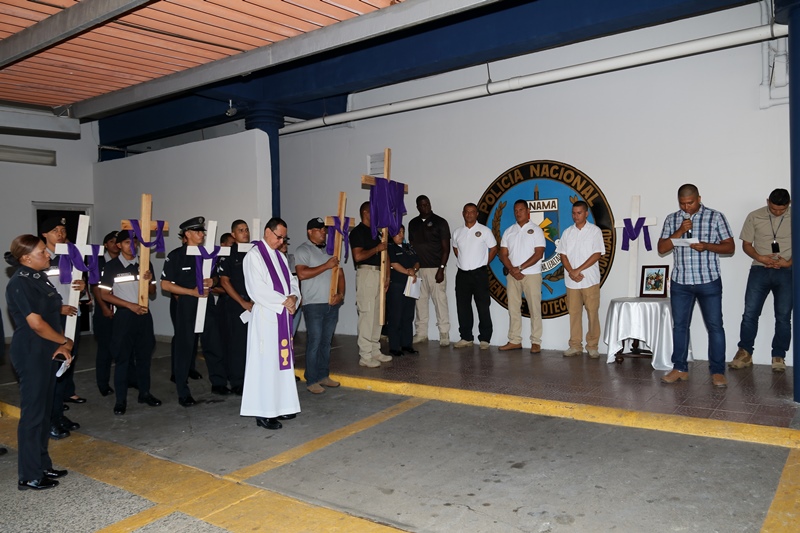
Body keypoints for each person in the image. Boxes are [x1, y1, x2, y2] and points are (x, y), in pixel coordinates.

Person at [5, 234, 72, 490]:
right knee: (33, 415)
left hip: (47, 350)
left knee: (44, 414)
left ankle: (43, 465)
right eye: (42, 252)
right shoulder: (19, 283)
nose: (48, 254)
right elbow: (36, 324)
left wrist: (60, 345)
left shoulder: (38, 277)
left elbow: (52, 313)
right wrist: (64, 340)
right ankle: (29, 475)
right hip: (31, 352)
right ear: (26, 258)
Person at [657, 184, 734, 388]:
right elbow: (662, 248)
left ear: (699, 198)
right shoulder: (672, 219)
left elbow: (730, 247)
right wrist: (680, 230)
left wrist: (706, 246)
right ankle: (679, 368)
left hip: (708, 280)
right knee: (680, 327)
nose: (686, 207)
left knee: (715, 327)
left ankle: (717, 371)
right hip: (680, 282)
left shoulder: (715, 217)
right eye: (682, 203)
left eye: (690, 203)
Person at [161, 216, 229, 406]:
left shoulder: (208, 254)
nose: (202, 234)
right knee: (185, 348)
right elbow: (165, 284)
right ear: (187, 234)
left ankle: (219, 383)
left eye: (202, 231)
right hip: (187, 305)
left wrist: (213, 281)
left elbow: (217, 277)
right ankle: (183, 391)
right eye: (197, 231)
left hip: (207, 304)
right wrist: (190, 292)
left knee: (214, 344)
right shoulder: (176, 256)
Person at [240, 218, 301, 430]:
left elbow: (292, 282)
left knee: (281, 363)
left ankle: (282, 405)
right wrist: (284, 302)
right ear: (267, 232)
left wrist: (294, 297)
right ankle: (263, 411)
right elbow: (257, 289)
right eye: (279, 237)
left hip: (282, 316)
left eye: (284, 238)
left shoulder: (281, 257)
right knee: (265, 364)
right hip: (266, 317)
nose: (281, 241)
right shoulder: (254, 256)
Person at [729, 188, 792, 373]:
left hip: (786, 271)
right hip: (759, 269)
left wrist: (789, 263)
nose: (777, 212)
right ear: (767, 201)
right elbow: (746, 245)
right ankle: (745, 353)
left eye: (782, 209)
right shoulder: (754, 216)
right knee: (750, 313)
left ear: (788, 204)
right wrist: (761, 258)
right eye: (773, 209)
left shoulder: (795, 216)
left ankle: (779, 355)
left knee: (783, 316)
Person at [98, 231, 161, 415]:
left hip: (144, 315)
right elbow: (104, 294)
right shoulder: (111, 266)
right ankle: (120, 400)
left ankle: (145, 393)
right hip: (125, 316)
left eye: (134, 242)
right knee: (122, 358)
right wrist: (129, 305)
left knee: (144, 356)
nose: (131, 246)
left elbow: (152, 291)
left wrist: (148, 281)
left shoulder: (144, 263)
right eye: (127, 242)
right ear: (119, 245)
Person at [40, 216, 84, 439]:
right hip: (51, 321)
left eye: (63, 230)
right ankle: (49, 420)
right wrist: (58, 309)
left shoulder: (72, 256)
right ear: (44, 235)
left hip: (72, 318)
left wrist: (82, 287)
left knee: (65, 368)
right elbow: (36, 296)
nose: (60, 234)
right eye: (55, 230)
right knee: (51, 372)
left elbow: (74, 288)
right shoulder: (40, 259)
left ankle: (58, 415)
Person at [295, 217, 344, 394]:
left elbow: (340, 274)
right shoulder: (303, 250)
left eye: (324, 230)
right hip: (313, 304)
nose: (323, 232)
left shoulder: (330, 250)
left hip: (331, 304)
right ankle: (312, 379)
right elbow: (302, 274)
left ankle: (323, 375)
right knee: (314, 342)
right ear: (310, 231)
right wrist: (326, 265)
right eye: (319, 229)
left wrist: (341, 294)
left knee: (326, 342)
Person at [556, 201, 606, 358]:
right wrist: (571, 271)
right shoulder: (567, 232)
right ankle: (575, 345)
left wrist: (578, 270)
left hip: (589, 279)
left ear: (586, 214)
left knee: (592, 313)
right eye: (573, 213)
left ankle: (592, 346)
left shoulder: (594, 231)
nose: (575, 216)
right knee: (574, 313)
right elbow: (562, 254)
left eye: (579, 213)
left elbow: (597, 254)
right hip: (571, 281)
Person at [349, 201, 392, 368]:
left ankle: (375, 349)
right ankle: (365, 355)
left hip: (380, 273)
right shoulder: (358, 232)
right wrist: (376, 249)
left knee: (377, 314)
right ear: (366, 213)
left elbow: (386, 254)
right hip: (366, 273)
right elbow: (358, 256)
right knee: (367, 314)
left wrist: (387, 276)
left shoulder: (378, 233)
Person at [499, 199, 546, 353]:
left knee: (534, 309)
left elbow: (539, 253)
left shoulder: (536, 230)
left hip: (531, 275)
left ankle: (536, 341)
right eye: (516, 210)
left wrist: (520, 268)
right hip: (512, 275)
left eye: (521, 210)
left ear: (528, 212)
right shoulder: (509, 231)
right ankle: (514, 340)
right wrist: (512, 269)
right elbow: (503, 254)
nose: (518, 213)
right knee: (513, 308)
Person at [452, 203, 497, 350]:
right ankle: (466, 337)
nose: (469, 214)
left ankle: (485, 338)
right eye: (467, 212)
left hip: (479, 274)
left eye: (472, 212)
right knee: (463, 307)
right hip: (462, 274)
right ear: (463, 213)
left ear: (477, 214)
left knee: (483, 306)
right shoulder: (457, 232)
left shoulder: (485, 231)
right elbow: (455, 249)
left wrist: (484, 262)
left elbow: (494, 248)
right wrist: (463, 261)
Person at [408, 195, 451, 346]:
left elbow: (446, 249)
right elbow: (411, 247)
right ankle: (421, 333)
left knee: (440, 301)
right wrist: (412, 268)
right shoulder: (413, 223)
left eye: (427, 204)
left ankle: (444, 333)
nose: (425, 207)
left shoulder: (440, 222)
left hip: (435, 269)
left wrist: (441, 269)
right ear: (417, 207)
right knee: (420, 302)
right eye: (422, 205)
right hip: (418, 269)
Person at [218, 220, 250, 395]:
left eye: (246, 230)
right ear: (233, 235)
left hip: (254, 304)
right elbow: (224, 282)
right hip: (237, 304)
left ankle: (251, 378)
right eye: (241, 230)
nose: (245, 233)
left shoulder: (254, 252)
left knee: (250, 343)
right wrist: (242, 302)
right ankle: (237, 382)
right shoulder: (228, 254)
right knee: (236, 344)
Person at [92, 231, 120, 396]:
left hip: (122, 309)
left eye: (117, 241)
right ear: (105, 245)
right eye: (111, 241)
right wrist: (104, 307)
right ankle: (103, 384)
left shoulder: (125, 261)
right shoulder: (98, 262)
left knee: (125, 347)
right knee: (105, 349)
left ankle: (130, 379)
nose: (115, 244)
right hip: (105, 309)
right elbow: (95, 287)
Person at [387, 225, 420, 357]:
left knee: (408, 315)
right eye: (398, 233)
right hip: (397, 284)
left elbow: (417, 261)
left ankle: (407, 344)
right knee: (396, 315)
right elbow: (394, 264)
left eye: (402, 232)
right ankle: (394, 346)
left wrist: (414, 270)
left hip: (410, 284)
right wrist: (408, 272)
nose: (401, 235)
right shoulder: (390, 247)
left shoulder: (408, 247)